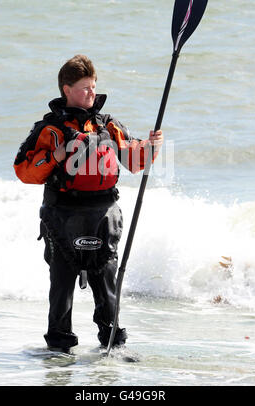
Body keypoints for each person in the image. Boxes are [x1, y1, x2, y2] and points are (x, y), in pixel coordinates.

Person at [13, 54, 163, 353]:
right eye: (85, 88)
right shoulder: (49, 129)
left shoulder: (109, 126)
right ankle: (59, 348)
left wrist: (152, 147)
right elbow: (24, 171)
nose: (91, 93)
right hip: (62, 214)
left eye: (94, 87)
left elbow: (135, 162)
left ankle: (112, 344)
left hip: (103, 214)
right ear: (66, 89)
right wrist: (54, 157)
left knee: (106, 284)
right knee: (61, 287)